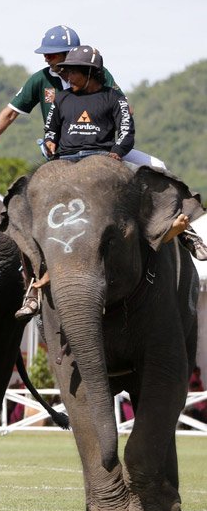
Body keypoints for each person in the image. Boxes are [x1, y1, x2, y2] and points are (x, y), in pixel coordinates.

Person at [14, 45, 206, 319]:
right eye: (64, 71)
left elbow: (127, 133)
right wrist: (49, 143)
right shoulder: (62, 99)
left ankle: (187, 234)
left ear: (90, 72)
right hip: (67, 160)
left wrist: (115, 154)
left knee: (158, 167)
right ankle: (31, 286)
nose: (66, 76)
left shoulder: (114, 98)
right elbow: (50, 130)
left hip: (107, 156)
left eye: (71, 71)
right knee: (27, 205)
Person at [0, 24, 164, 171]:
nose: (46, 58)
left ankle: (176, 224)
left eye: (51, 55)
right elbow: (11, 113)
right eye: (45, 54)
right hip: (62, 151)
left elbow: (125, 109)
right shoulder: (41, 78)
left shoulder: (96, 72)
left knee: (158, 166)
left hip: (102, 149)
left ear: (71, 54)